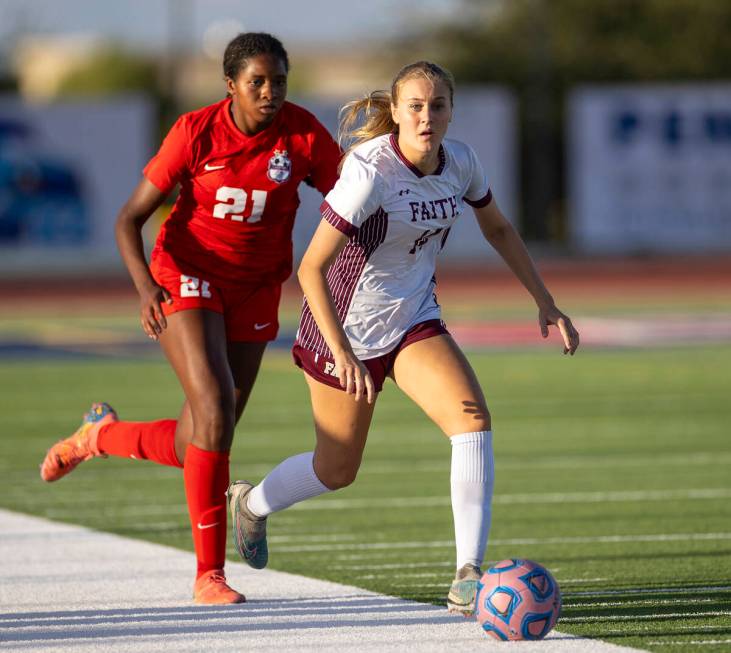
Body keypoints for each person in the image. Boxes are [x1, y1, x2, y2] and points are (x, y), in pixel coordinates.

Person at [227, 60, 580, 614]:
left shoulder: (461, 161)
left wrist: (545, 300)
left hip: (413, 320)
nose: (426, 116)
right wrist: (340, 349)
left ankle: (468, 575)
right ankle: (252, 504)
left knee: (472, 422)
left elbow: (499, 228)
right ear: (395, 113)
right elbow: (311, 269)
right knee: (336, 470)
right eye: (414, 106)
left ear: (450, 113)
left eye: (437, 106)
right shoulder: (370, 171)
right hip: (341, 328)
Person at [38, 32, 341, 605]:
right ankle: (209, 575)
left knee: (199, 436)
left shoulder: (302, 134)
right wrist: (146, 288)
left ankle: (98, 436)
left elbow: (347, 194)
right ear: (231, 85)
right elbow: (128, 219)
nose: (270, 91)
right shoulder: (195, 131)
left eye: (279, 80)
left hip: (255, 289)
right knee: (216, 410)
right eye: (257, 81)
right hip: (187, 275)